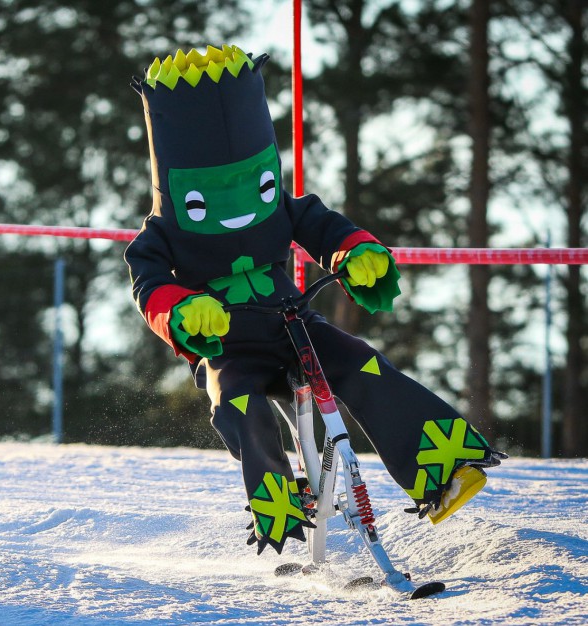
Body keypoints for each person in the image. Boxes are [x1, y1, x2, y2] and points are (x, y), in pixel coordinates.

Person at [124, 45, 507, 555]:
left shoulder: (283, 205)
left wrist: (356, 252)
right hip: (228, 346)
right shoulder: (160, 231)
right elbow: (147, 283)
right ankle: (281, 500)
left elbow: (324, 227)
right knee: (239, 404)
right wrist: (181, 309)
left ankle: (439, 471)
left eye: (258, 185)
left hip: (293, 324)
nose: (241, 209)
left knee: (363, 365)